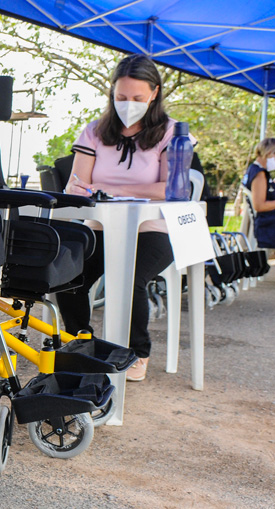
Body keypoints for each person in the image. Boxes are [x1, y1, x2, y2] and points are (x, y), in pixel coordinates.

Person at [60, 54, 192, 383]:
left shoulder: (172, 133)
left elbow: (171, 189)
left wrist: (109, 187)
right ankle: (82, 342)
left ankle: (137, 352)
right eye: (121, 97)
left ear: (154, 93)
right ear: (112, 93)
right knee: (67, 273)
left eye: (137, 97)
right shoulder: (94, 131)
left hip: (153, 229)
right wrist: (84, 188)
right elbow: (76, 185)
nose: (128, 104)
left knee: (130, 277)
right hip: (101, 227)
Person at [242, 138, 275, 252]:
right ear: (270, 153)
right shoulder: (259, 174)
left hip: (272, 221)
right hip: (268, 224)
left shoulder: (255, 170)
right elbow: (259, 205)